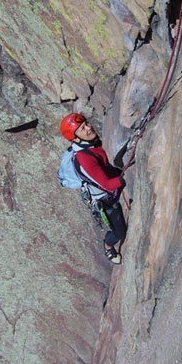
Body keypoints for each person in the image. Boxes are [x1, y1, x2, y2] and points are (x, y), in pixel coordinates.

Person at [60, 113, 127, 265]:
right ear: (75, 138)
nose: (89, 127)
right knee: (119, 232)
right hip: (105, 198)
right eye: (82, 128)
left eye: (86, 123)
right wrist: (125, 177)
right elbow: (107, 185)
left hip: (107, 180)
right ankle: (108, 245)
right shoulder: (84, 158)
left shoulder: (90, 143)